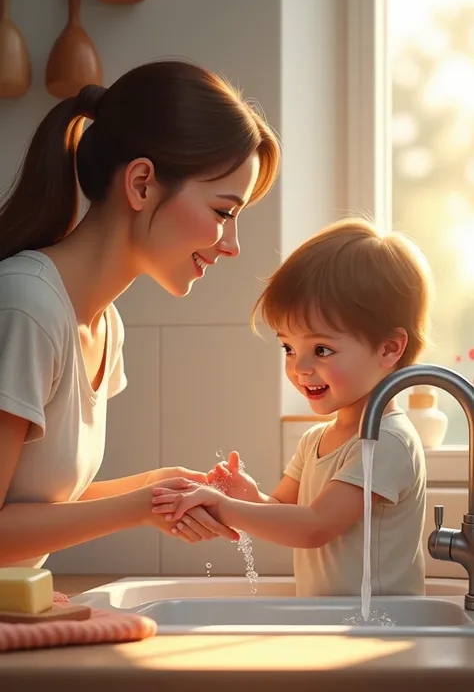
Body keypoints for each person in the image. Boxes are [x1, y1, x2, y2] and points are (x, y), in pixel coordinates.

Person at [0, 59, 280, 568]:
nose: (233, 245)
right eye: (223, 213)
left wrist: (158, 489)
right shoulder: (27, 306)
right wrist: (141, 507)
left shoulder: (105, 323)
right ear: (142, 183)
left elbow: (34, 508)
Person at [151, 218, 432, 597]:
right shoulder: (316, 439)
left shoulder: (387, 441)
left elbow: (313, 527)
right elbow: (283, 512)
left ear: (388, 348)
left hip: (381, 629)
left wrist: (223, 506)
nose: (299, 367)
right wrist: (248, 496)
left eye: (321, 349)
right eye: (288, 347)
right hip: (337, 625)